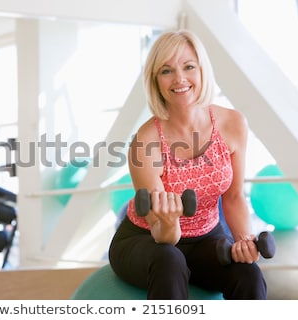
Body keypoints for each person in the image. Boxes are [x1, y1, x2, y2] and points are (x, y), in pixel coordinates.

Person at [108, 29, 267, 299]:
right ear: (155, 80)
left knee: (248, 273)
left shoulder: (232, 123)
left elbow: (233, 195)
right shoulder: (145, 142)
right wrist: (170, 222)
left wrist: (243, 240)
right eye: (166, 71)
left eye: (188, 66)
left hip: (206, 238)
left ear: (202, 70)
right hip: (148, 239)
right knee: (170, 260)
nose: (179, 79)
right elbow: (164, 237)